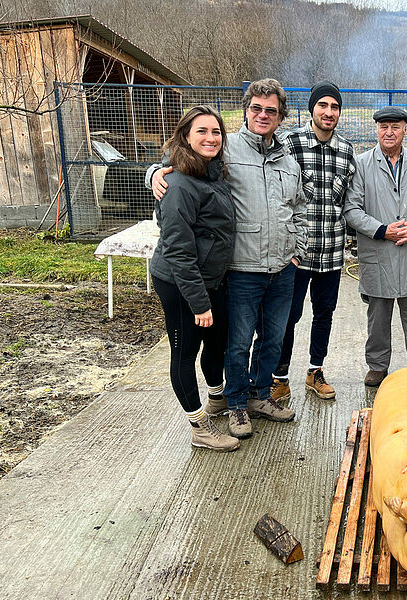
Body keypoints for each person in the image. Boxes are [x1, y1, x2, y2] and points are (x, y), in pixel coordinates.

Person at [149, 79, 306, 439]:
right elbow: (176, 163)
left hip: (282, 268)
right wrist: (153, 174)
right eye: (256, 108)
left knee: (273, 339)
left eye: (271, 110)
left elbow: (298, 207)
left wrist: (297, 250)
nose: (263, 115)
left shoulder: (288, 160)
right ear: (246, 110)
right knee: (237, 342)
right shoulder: (226, 148)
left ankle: (259, 396)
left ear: (281, 116)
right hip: (241, 268)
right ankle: (235, 406)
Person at [149, 105, 239, 452]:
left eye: (216, 132)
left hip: (212, 278)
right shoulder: (178, 184)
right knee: (185, 352)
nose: (210, 138)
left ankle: (217, 399)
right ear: (185, 136)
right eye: (201, 131)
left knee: (216, 342)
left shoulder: (212, 174)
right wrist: (198, 302)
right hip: (179, 281)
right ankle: (199, 426)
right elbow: (177, 250)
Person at [344, 107, 407, 387]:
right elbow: (352, 208)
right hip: (378, 253)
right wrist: (381, 230)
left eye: (395, 127)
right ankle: (377, 365)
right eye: (384, 126)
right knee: (378, 316)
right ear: (377, 129)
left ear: (405, 130)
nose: (389, 132)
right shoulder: (361, 164)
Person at [271, 81, 356, 403]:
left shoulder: (347, 151)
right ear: (312, 109)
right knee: (288, 316)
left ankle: (315, 372)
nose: (329, 112)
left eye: (334, 107)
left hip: (331, 253)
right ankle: (279, 377)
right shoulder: (288, 142)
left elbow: (349, 201)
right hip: (295, 254)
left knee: (324, 313)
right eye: (323, 105)